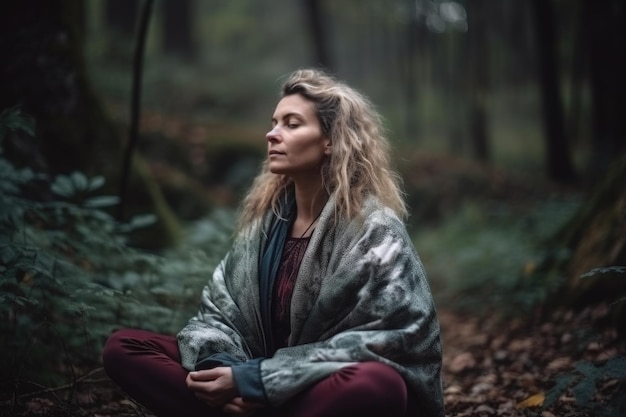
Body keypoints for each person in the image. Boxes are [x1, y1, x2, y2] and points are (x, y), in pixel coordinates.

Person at [102, 68, 444, 417]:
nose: (272, 134)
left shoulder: (373, 227)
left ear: (331, 140)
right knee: (124, 347)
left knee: (377, 384)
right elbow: (220, 313)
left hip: (317, 388)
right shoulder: (264, 225)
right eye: (274, 122)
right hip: (252, 381)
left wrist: (262, 381)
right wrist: (226, 371)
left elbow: (396, 335)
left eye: (291, 124)